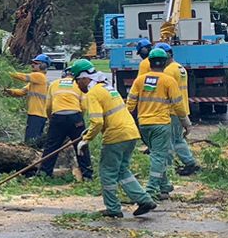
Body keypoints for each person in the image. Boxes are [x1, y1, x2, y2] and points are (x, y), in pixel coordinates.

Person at [71, 60, 155, 218]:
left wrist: (86, 140)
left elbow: (97, 121)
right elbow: (108, 115)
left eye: (77, 80)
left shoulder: (93, 93)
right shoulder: (106, 87)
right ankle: (144, 200)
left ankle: (113, 209)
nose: (77, 84)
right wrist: (88, 131)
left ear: (84, 78)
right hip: (130, 132)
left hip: (115, 136)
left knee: (107, 172)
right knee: (122, 170)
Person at [127, 47, 190, 201]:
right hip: (161, 124)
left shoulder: (140, 80)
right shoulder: (169, 81)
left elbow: (130, 103)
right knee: (158, 157)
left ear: (149, 62)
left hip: (144, 124)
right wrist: (185, 122)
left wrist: (128, 120)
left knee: (157, 155)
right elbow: (178, 104)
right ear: (164, 62)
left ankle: (165, 186)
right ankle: (150, 190)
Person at [37, 66, 92, 180]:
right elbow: (84, 105)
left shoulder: (54, 84)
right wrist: (79, 118)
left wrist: (51, 118)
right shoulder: (78, 84)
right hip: (75, 117)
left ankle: (44, 174)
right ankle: (87, 174)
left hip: (58, 116)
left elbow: (48, 106)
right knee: (81, 145)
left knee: (51, 146)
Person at [154, 43, 200, 176]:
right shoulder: (180, 68)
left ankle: (175, 166)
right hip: (181, 108)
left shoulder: (168, 71)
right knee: (178, 139)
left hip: (172, 110)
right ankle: (189, 162)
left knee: (170, 141)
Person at [6, 54, 52, 144]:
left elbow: (23, 77)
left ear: (43, 65)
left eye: (36, 63)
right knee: (34, 141)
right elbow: (21, 92)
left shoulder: (39, 76)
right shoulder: (35, 82)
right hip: (36, 115)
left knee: (30, 142)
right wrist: (8, 91)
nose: (32, 65)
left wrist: (6, 72)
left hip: (37, 115)